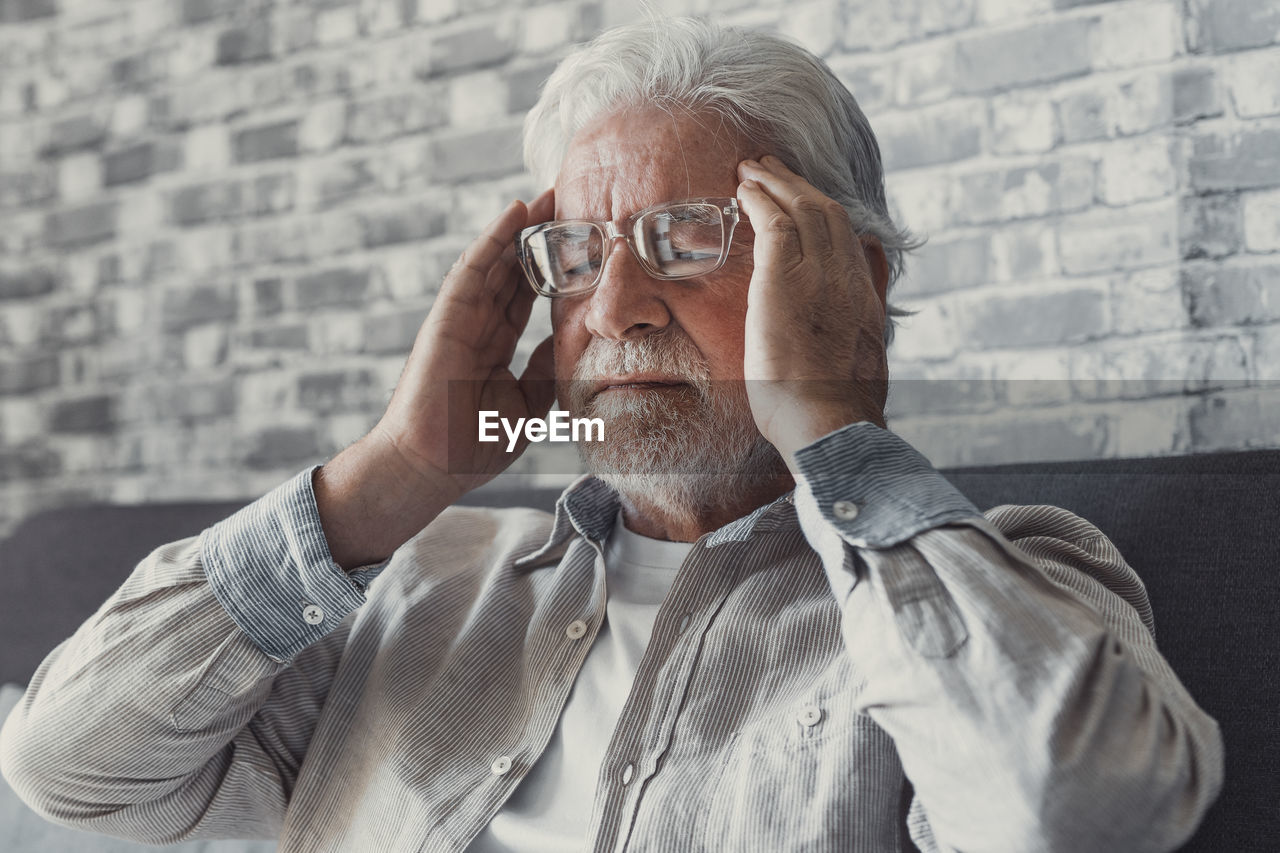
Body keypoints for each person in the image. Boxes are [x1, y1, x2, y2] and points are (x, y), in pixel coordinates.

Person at [0, 17, 1222, 853]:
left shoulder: (1004, 580)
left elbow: (1077, 811)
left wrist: (836, 435)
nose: (616, 307)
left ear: (842, 278)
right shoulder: (410, 583)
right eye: (576, 257)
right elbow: (70, 767)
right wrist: (395, 473)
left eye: (688, 239)